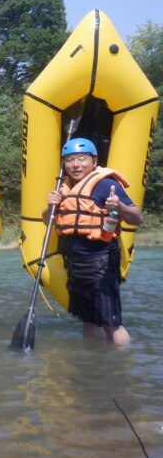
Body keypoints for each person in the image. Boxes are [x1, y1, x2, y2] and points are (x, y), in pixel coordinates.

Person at [43, 137, 142, 345]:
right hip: (76, 263)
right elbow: (48, 221)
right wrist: (50, 206)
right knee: (88, 321)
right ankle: (92, 366)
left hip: (102, 260)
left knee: (110, 322)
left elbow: (136, 218)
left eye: (81, 159)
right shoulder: (64, 187)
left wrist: (120, 207)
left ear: (94, 161)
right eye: (70, 160)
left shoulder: (106, 184)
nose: (75, 165)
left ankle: (119, 369)